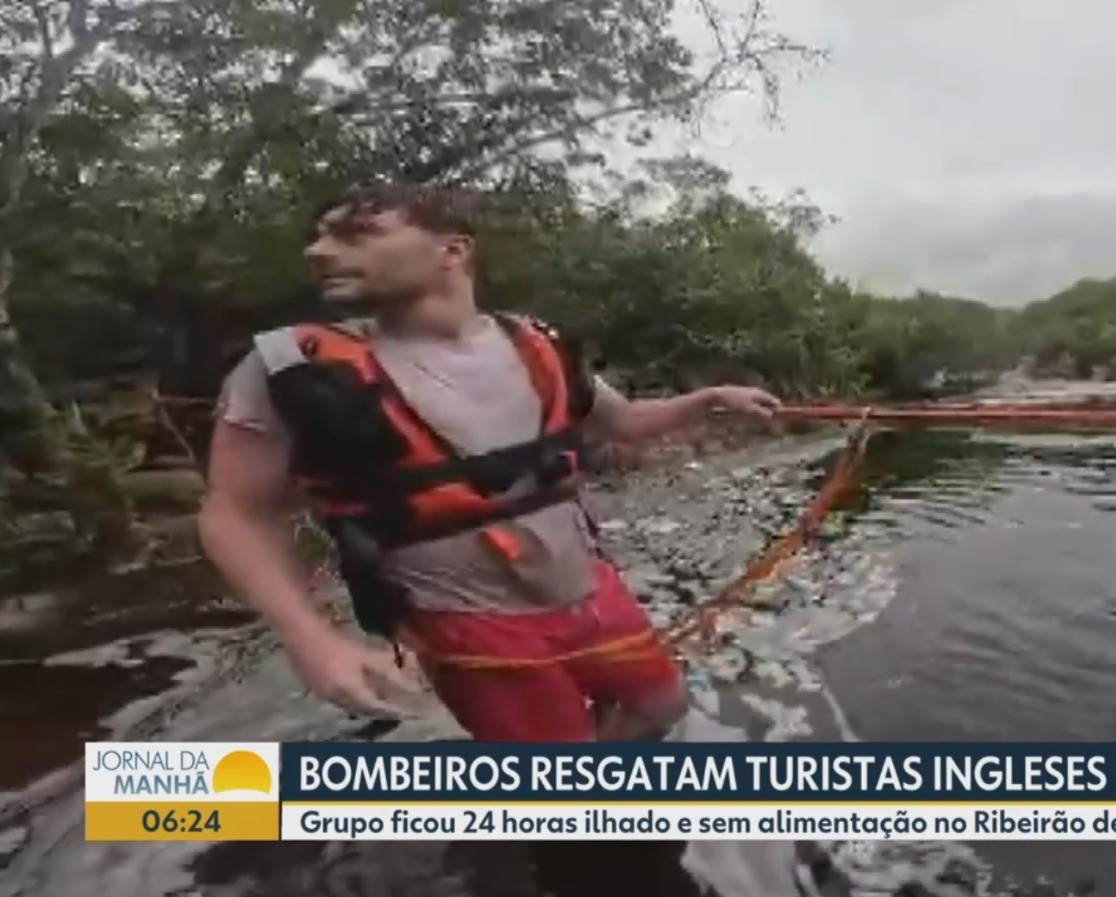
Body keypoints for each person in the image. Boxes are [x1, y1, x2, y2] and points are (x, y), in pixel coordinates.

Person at [198, 183, 781, 742]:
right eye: (320, 237)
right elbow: (235, 516)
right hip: (464, 619)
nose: (318, 251)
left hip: (588, 590)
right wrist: (312, 640)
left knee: (659, 706)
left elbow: (624, 422)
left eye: (358, 234)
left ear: (452, 250)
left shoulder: (535, 342)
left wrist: (709, 400)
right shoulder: (290, 369)